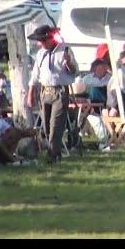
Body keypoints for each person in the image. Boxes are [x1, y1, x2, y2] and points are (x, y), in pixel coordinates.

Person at [26, 25, 79, 163]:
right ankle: (55, 153)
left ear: (50, 38)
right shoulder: (40, 54)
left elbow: (74, 71)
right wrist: (31, 93)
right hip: (45, 92)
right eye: (40, 41)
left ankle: (52, 156)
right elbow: (35, 76)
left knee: (56, 125)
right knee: (46, 126)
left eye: (43, 40)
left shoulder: (65, 50)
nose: (41, 43)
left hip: (59, 91)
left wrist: (68, 64)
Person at [0, 97, 38, 165]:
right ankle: (12, 160)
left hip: (0, 147)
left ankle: (9, 159)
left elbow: (14, 132)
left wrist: (26, 132)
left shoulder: (0, 120)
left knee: (15, 133)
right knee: (0, 140)